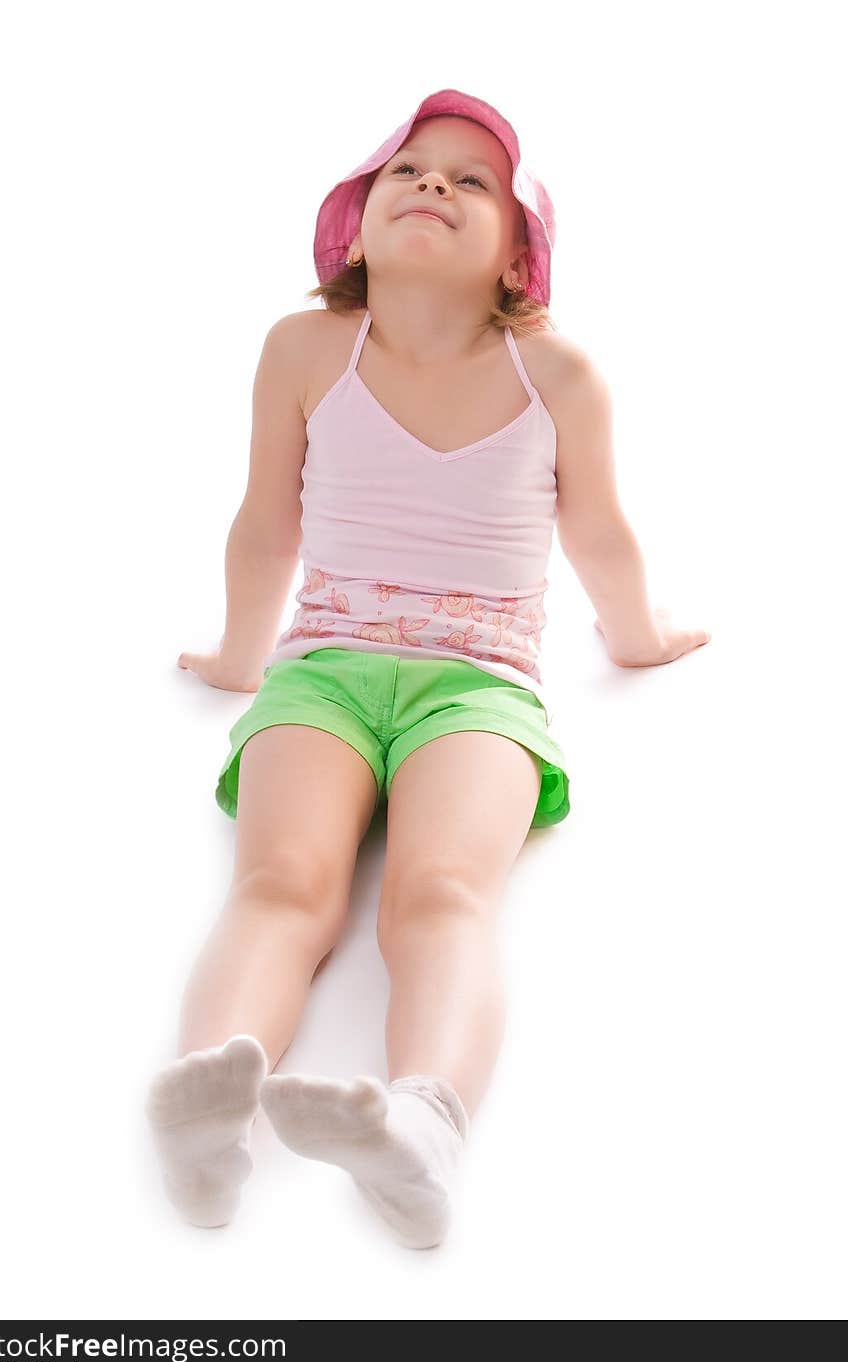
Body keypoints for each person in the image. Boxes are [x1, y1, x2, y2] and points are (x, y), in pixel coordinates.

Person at [145, 88, 711, 1248]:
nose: (434, 186)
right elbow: (265, 524)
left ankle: (422, 1129)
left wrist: (637, 636)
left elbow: (597, 532)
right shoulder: (305, 348)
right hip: (323, 674)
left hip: (479, 686)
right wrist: (241, 661)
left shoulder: (556, 374)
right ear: (357, 222)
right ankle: (208, 1116)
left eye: (471, 180)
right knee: (282, 887)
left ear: (518, 257)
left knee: (440, 895)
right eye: (409, 169)